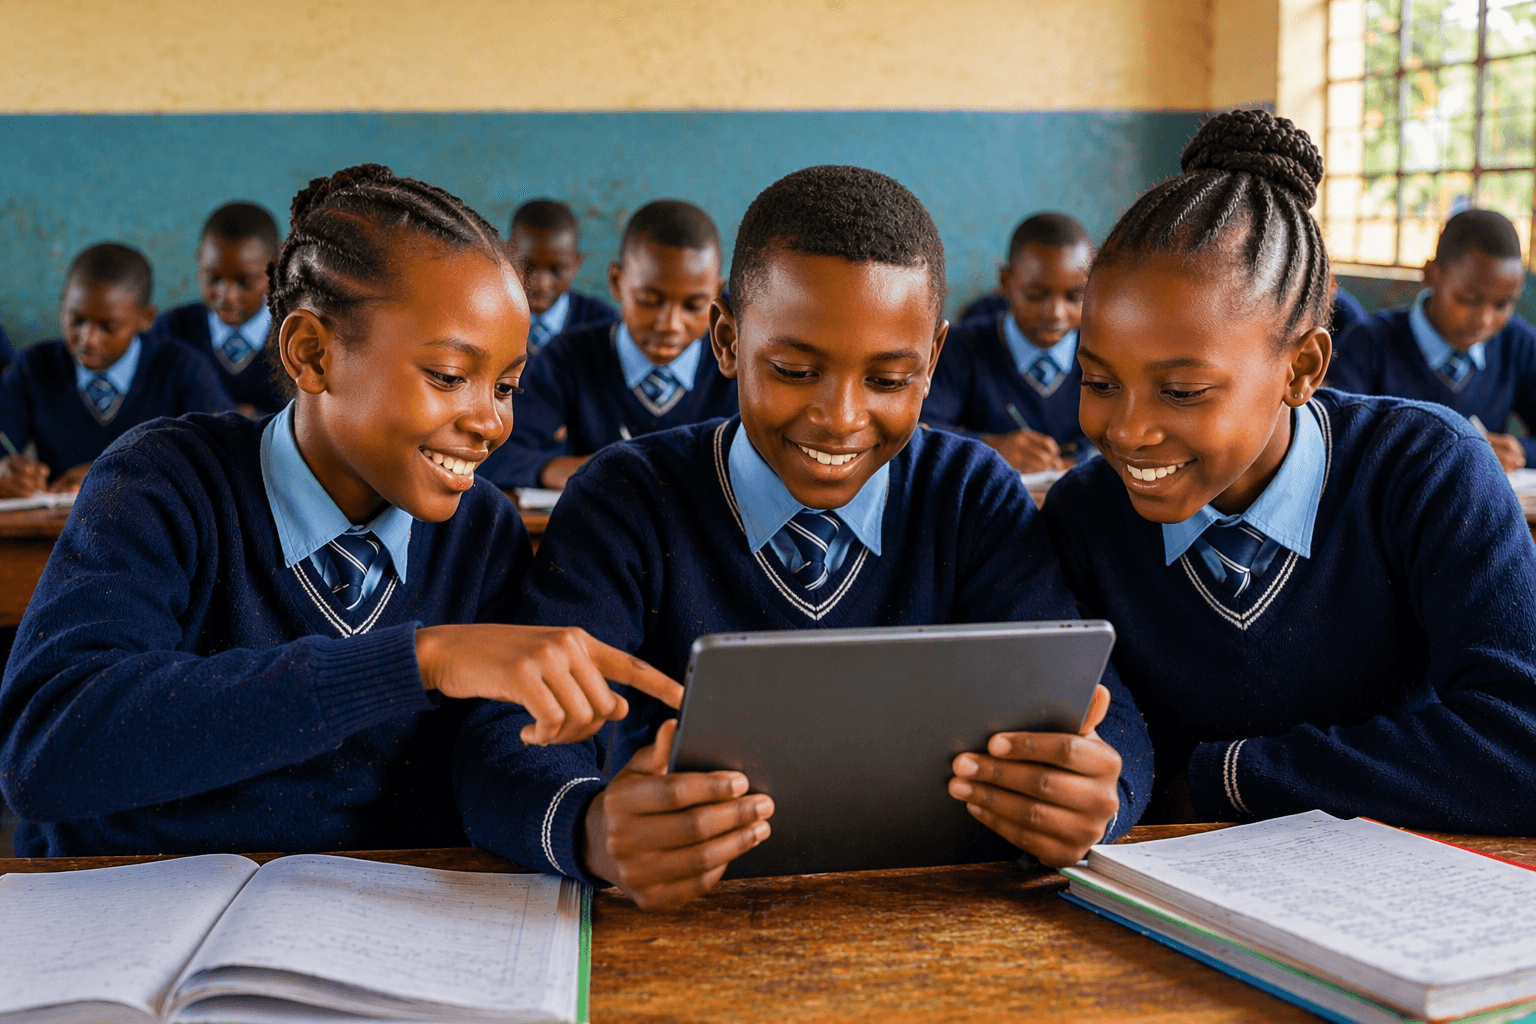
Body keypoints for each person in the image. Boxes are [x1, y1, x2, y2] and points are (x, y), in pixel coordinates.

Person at [456, 165, 1154, 910]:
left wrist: (1095, 797)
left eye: (889, 380)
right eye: (793, 369)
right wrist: (593, 830)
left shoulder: (969, 495)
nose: (840, 417)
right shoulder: (629, 496)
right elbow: (509, 733)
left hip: (932, 912)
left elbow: (1102, 708)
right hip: (684, 920)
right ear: (726, 339)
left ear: (933, 363)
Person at [0, 165, 679, 858]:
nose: (490, 423)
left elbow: (497, 753)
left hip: (369, 926)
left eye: (506, 385)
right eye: (449, 376)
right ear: (312, 353)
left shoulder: (478, 533)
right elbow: (46, 749)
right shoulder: (163, 483)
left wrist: (585, 824)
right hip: (130, 917)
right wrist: (414, 662)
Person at [1042, 110, 1536, 833]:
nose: (1127, 431)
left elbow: (1521, 745)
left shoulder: (1426, 471)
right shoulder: (1085, 517)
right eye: (1098, 381)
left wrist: (1230, 778)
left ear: (1301, 367)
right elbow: (1111, 743)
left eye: (1182, 391)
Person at [481, 200, 737, 488]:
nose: (670, 325)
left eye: (694, 305)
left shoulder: (737, 367)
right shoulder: (569, 357)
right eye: (649, 301)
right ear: (617, 282)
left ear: (715, 295)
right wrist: (575, 470)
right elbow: (492, 452)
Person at [0, 243, 232, 498]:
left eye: (108, 327)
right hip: (55, 529)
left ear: (146, 318)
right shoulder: (33, 368)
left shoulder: (182, 369)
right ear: (63, 302)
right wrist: (4, 472)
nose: (87, 339)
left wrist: (112, 473)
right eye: (76, 320)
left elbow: (220, 458)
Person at [1330, 209, 1536, 471]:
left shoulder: (1516, 344)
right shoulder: (1367, 344)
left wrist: (1521, 452)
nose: (1485, 320)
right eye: (1468, 300)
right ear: (1431, 275)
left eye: (1502, 305)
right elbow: (1336, 440)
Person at [923, 213, 1095, 470]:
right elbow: (922, 430)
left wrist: (1077, 460)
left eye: (1074, 297)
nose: (1056, 313)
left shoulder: (1101, 353)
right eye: (1036, 295)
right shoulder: (961, 347)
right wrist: (992, 447)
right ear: (1005, 282)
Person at [154, 202, 288, 416]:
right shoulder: (171, 330)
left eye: (244, 281)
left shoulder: (294, 336)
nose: (226, 296)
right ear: (200, 259)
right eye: (213, 279)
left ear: (276, 269)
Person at [508, 199, 618, 356]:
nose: (541, 284)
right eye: (527, 267)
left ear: (576, 265)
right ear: (506, 256)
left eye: (556, 270)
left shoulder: (602, 323)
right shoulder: (485, 320)